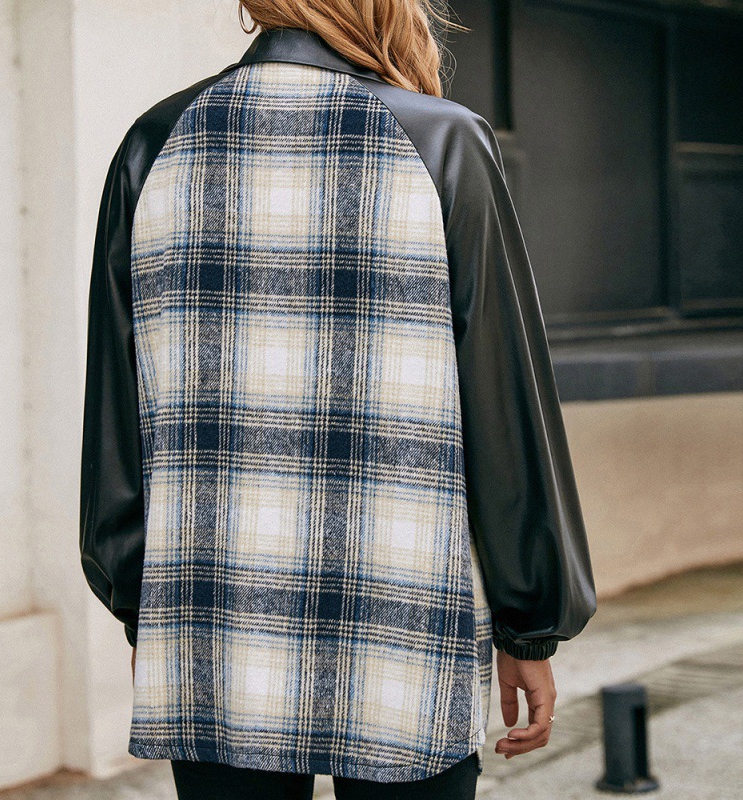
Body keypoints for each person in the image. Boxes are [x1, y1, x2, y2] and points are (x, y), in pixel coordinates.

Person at [79, 2, 598, 798]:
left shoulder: (156, 140)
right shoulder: (439, 139)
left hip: (207, 608)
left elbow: (117, 409)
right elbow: (502, 403)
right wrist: (529, 620)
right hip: (403, 604)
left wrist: (137, 600)